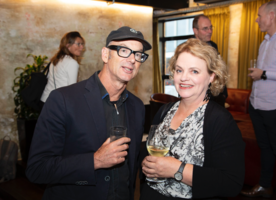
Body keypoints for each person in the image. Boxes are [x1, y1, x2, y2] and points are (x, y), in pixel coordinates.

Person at [26, 26, 152, 200]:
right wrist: (95, 160)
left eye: (138, 55)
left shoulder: (137, 106)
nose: (132, 59)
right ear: (105, 54)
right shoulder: (63, 100)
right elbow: (37, 169)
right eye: (124, 51)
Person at [139, 38, 245, 200]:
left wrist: (178, 169)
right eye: (179, 70)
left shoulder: (220, 121)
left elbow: (231, 183)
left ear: (212, 77)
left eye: (194, 71)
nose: (183, 78)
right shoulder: (164, 110)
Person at [241, 1, 276, 198]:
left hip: (273, 107)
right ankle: (265, 186)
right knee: (265, 148)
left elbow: (266, 73)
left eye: (259, 15)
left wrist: (263, 74)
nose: (256, 19)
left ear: (271, 16)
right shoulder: (264, 42)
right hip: (257, 105)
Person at [40, 31, 85, 106]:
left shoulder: (55, 59)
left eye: (82, 44)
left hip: (45, 100)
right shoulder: (72, 63)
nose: (82, 47)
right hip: (58, 103)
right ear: (68, 46)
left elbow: (49, 78)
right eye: (78, 44)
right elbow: (72, 89)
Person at [192, 14, 228, 107]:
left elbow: (218, 69)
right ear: (195, 30)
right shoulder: (189, 48)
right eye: (205, 29)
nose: (210, 31)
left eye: (211, 27)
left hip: (217, 96)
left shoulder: (213, 46)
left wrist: (223, 93)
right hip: (198, 97)